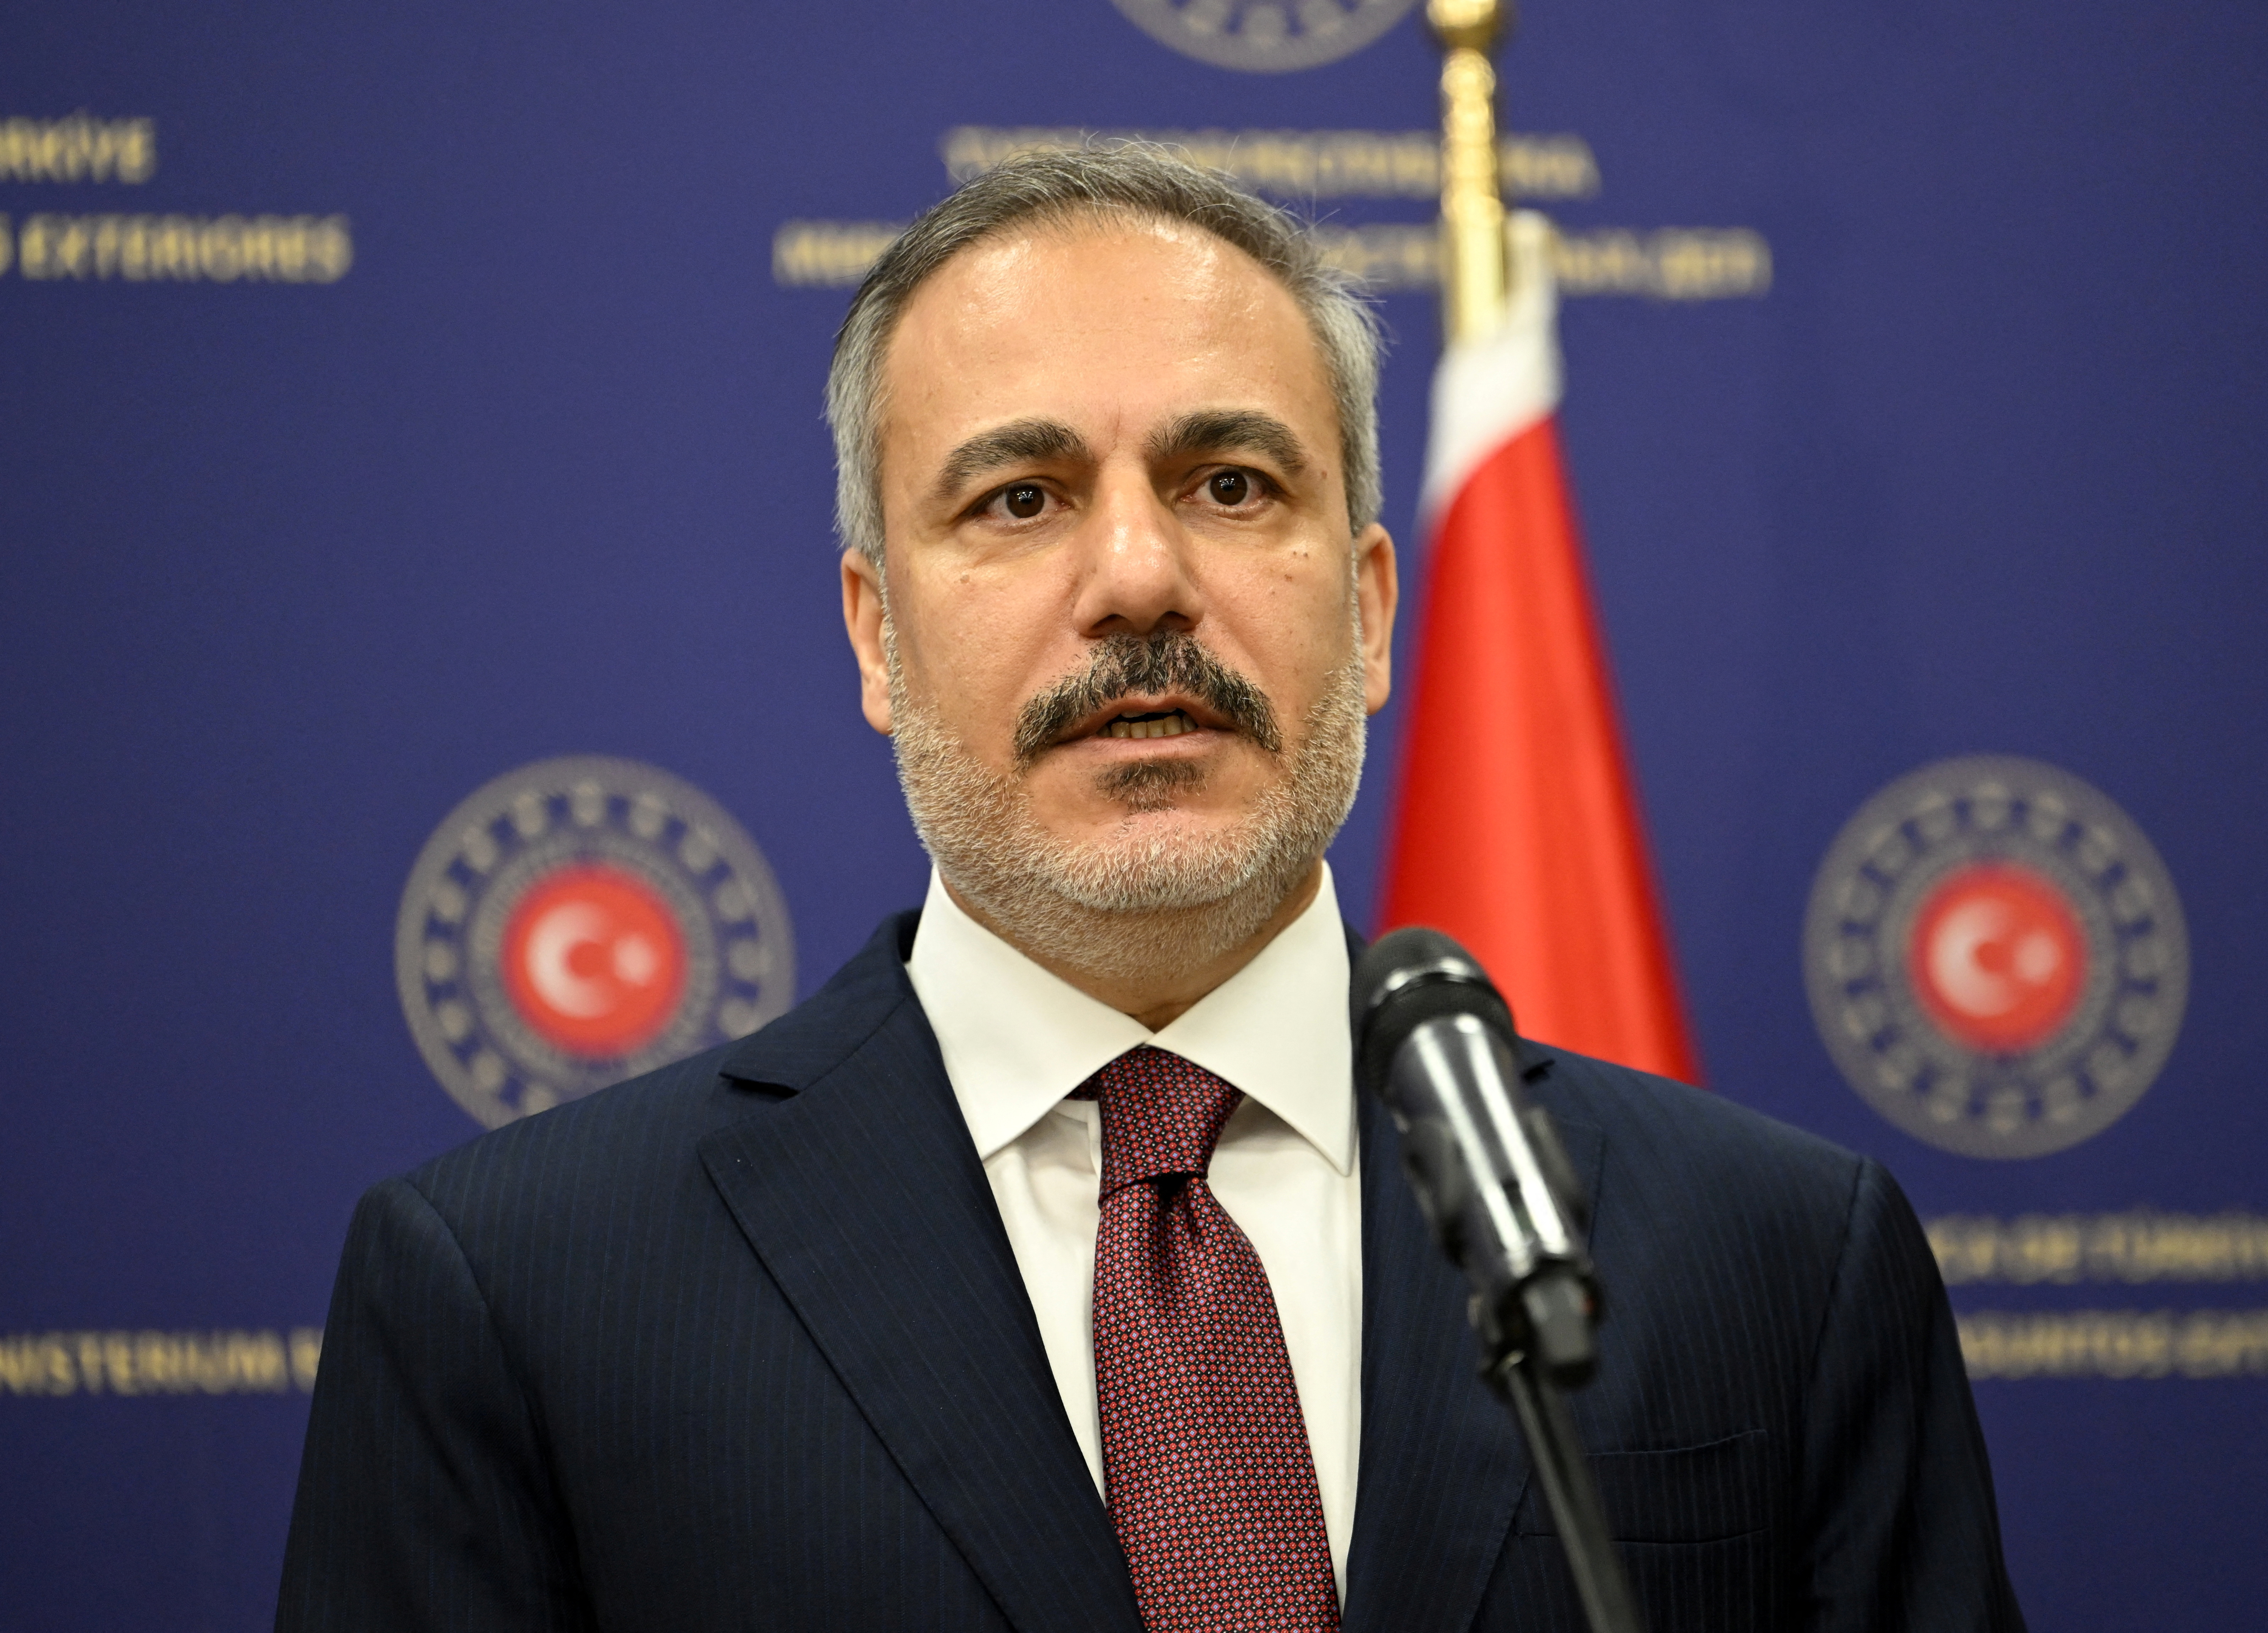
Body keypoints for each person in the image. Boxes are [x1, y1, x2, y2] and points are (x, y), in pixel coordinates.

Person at [276, 147, 2023, 1633]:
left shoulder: (1775, 1260)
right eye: (1021, 496)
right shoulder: (519, 1291)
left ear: (1371, 609)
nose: (1135, 577)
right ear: (878, 632)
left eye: (1229, 482)